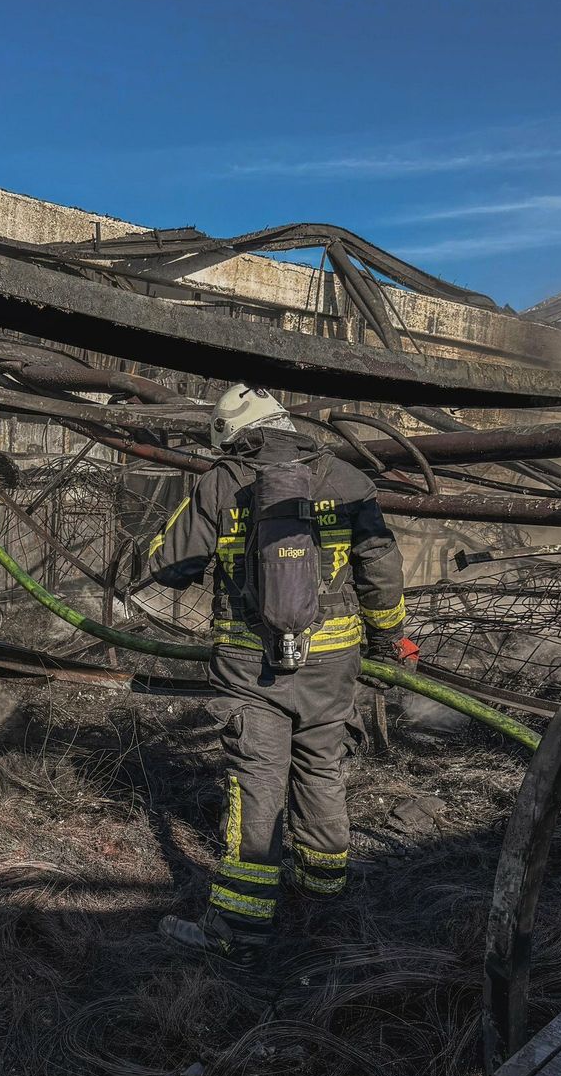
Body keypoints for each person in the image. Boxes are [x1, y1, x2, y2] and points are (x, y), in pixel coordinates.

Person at [146, 384, 418, 972]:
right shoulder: (347, 479)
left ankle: (238, 927)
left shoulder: (222, 482)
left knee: (257, 781)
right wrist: (387, 640)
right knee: (321, 766)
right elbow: (381, 570)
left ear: (233, 434)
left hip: (252, 666)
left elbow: (171, 566)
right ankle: (323, 896)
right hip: (333, 662)